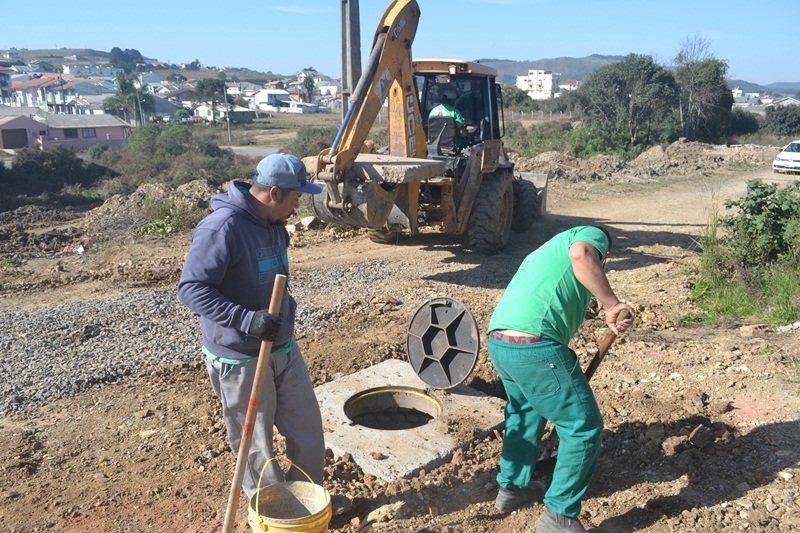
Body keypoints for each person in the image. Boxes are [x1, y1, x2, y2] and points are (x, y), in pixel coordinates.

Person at [177, 153, 351, 516]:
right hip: (240, 357)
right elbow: (191, 289)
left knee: (307, 432)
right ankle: (275, 517)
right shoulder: (221, 228)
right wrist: (245, 319)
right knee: (257, 448)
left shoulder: (273, 222)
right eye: (295, 198)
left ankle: (307, 507)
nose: (297, 205)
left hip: (282, 348)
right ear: (274, 193)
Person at [487, 225, 635, 533]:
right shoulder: (589, 237)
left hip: (501, 340)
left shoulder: (543, 252)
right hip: (535, 347)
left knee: (524, 413)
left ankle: (512, 489)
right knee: (582, 425)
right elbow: (581, 255)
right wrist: (612, 304)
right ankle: (560, 515)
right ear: (605, 252)